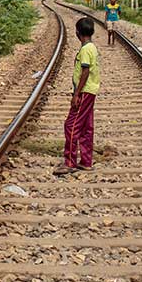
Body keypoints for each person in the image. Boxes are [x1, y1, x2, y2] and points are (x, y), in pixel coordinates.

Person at [55, 17, 100, 175]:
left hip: (84, 91)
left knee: (71, 125)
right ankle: (86, 161)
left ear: (77, 32)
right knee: (86, 127)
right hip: (90, 91)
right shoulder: (92, 47)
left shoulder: (86, 50)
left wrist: (76, 93)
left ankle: (70, 162)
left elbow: (85, 72)